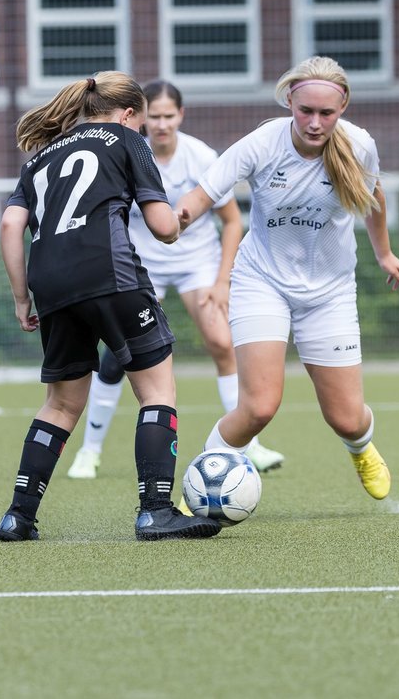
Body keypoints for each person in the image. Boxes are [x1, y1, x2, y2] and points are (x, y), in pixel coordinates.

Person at [175, 55, 399, 501]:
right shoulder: (264, 143)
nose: (314, 122)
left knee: (347, 418)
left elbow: (375, 194)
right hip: (262, 281)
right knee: (258, 407)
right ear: (290, 100)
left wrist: (384, 253)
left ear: (342, 106)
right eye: (306, 110)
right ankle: (201, 485)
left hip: (330, 292)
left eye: (326, 113)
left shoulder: (359, 144)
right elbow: (205, 192)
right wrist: (175, 221)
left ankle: (362, 449)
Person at [0, 70, 221, 542]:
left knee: (59, 406)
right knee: (157, 390)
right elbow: (161, 226)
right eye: (140, 122)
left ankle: (18, 516)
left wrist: (22, 297)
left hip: (51, 284)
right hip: (110, 273)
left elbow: (10, 227)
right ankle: (156, 511)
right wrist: (177, 225)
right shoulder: (125, 138)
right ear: (127, 113)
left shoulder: (39, 159)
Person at [67, 80, 287, 479]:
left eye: (170, 116)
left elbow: (233, 221)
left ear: (181, 116)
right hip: (140, 262)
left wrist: (223, 282)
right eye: (157, 116)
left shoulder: (201, 155)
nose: (163, 124)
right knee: (118, 355)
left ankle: (248, 444)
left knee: (221, 341)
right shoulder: (128, 150)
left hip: (196, 262)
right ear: (142, 116)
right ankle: (90, 450)